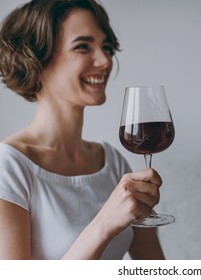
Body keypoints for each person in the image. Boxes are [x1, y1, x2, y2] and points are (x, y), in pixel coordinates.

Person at [0, 0, 165, 260]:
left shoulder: (112, 162)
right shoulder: (9, 167)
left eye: (106, 47)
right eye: (82, 47)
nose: (105, 60)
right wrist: (104, 224)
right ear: (36, 60)